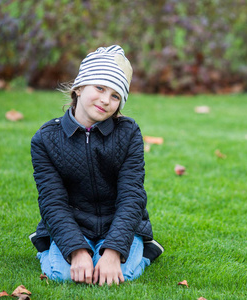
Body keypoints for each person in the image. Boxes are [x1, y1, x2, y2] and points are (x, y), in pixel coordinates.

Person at [28, 45, 164, 286]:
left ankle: (145, 251)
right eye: (100, 88)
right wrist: (77, 251)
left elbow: (132, 196)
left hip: (118, 225)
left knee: (121, 275)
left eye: (115, 95)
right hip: (73, 223)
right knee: (63, 275)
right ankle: (49, 244)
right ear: (79, 87)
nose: (105, 100)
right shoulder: (45, 139)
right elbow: (52, 201)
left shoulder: (129, 133)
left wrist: (113, 252)